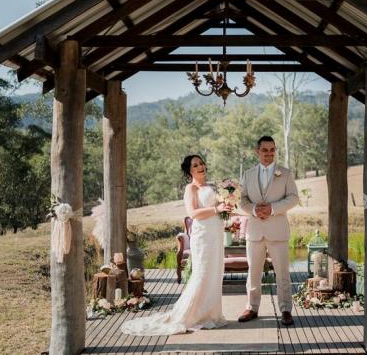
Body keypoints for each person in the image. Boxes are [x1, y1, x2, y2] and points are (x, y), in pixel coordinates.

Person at [121, 154, 231, 336]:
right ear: (190, 171)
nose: (200, 166)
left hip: (216, 234)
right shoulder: (191, 188)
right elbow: (194, 213)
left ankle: (211, 313)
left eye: (202, 163)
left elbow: (219, 210)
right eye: (195, 165)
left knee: (215, 273)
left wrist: (227, 204)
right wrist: (216, 209)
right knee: (202, 274)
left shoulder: (210, 187)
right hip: (203, 236)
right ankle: (191, 315)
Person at [238, 136, 299, 326]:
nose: (269, 154)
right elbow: (242, 200)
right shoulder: (248, 175)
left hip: (278, 231)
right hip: (255, 232)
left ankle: (286, 309)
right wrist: (255, 210)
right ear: (257, 152)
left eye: (272, 150)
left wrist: (272, 208)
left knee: (282, 273)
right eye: (265, 150)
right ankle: (252, 307)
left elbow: (293, 198)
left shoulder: (285, 174)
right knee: (253, 272)